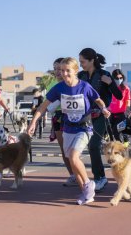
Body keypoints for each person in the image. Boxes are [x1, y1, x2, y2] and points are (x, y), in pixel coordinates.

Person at [28, 57, 110, 205]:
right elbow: (43, 106)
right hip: (68, 129)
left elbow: (98, 100)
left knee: (73, 156)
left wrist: (103, 108)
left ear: (75, 71)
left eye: (67, 71)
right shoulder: (59, 88)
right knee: (73, 163)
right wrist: (33, 123)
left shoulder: (84, 87)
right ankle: (86, 193)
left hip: (84, 128)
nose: (64, 73)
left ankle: (88, 184)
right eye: (61, 70)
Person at [78, 48, 122, 192]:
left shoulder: (104, 74)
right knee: (77, 149)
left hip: (102, 116)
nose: (81, 64)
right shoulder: (80, 75)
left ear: (92, 60)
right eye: (79, 62)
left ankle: (100, 178)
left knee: (94, 145)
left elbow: (119, 96)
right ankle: (78, 176)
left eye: (83, 61)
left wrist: (110, 83)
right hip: (84, 117)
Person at [46, 57, 76, 186]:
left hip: (71, 116)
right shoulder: (51, 84)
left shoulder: (71, 83)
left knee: (73, 149)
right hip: (57, 116)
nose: (58, 72)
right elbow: (47, 103)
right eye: (55, 69)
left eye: (60, 69)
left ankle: (79, 173)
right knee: (64, 148)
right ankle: (72, 175)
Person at [108, 69, 131, 144]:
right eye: (117, 78)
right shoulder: (109, 87)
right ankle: (125, 142)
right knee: (112, 131)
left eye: (121, 78)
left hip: (122, 113)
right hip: (111, 114)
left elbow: (128, 100)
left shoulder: (125, 88)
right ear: (113, 78)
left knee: (116, 130)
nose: (119, 80)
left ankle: (121, 146)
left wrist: (127, 110)